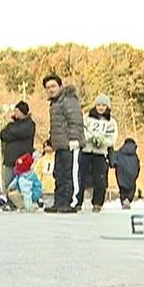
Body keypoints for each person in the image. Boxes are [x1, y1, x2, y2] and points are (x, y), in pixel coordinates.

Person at [42, 74, 85, 213]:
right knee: (59, 174)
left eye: (53, 86)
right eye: (48, 87)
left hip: (70, 144)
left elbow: (75, 120)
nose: (51, 89)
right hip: (59, 145)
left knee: (70, 174)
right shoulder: (55, 103)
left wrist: (74, 140)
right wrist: (50, 140)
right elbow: (57, 126)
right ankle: (60, 201)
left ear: (60, 86)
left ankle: (72, 202)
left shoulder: (68, 100)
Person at [76, 94, 118, 213]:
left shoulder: (111, 122)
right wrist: (91, 138)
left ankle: (98, 203)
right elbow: (82, 130)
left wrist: (103, 141)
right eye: (99, 105)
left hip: (100, 152)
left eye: (103, 105)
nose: (100, 107)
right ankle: (77, 201)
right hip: (86, 150)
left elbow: (112, 137)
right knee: (81, 176)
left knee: (100, 179)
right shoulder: (87, 118)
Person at [0, 101, 36, 191]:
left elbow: (20, 132)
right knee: (8, 184)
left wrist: (11, 132)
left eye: (17, 111)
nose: (15, 113)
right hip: (9, 160)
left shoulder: (30, 124)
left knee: (22, 184)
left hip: (23, 160)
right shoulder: (11, 124)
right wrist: (12, 132)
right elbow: (3, 135)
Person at [113, 138, 140, 210]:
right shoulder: (135, 155)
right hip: (132, 176)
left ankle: (124, 200)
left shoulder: (119, 152)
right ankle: (128, 200)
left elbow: (114, 162)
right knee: (131, 189)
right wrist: (135, 175)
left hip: (121, 175)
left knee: (123, 189)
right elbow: (138, 166)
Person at [34, 139, 56, 208]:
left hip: (54, 187)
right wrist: (38, 183)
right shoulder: (41, 160)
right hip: (44, 187)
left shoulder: (56, 158)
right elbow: (37, 172)